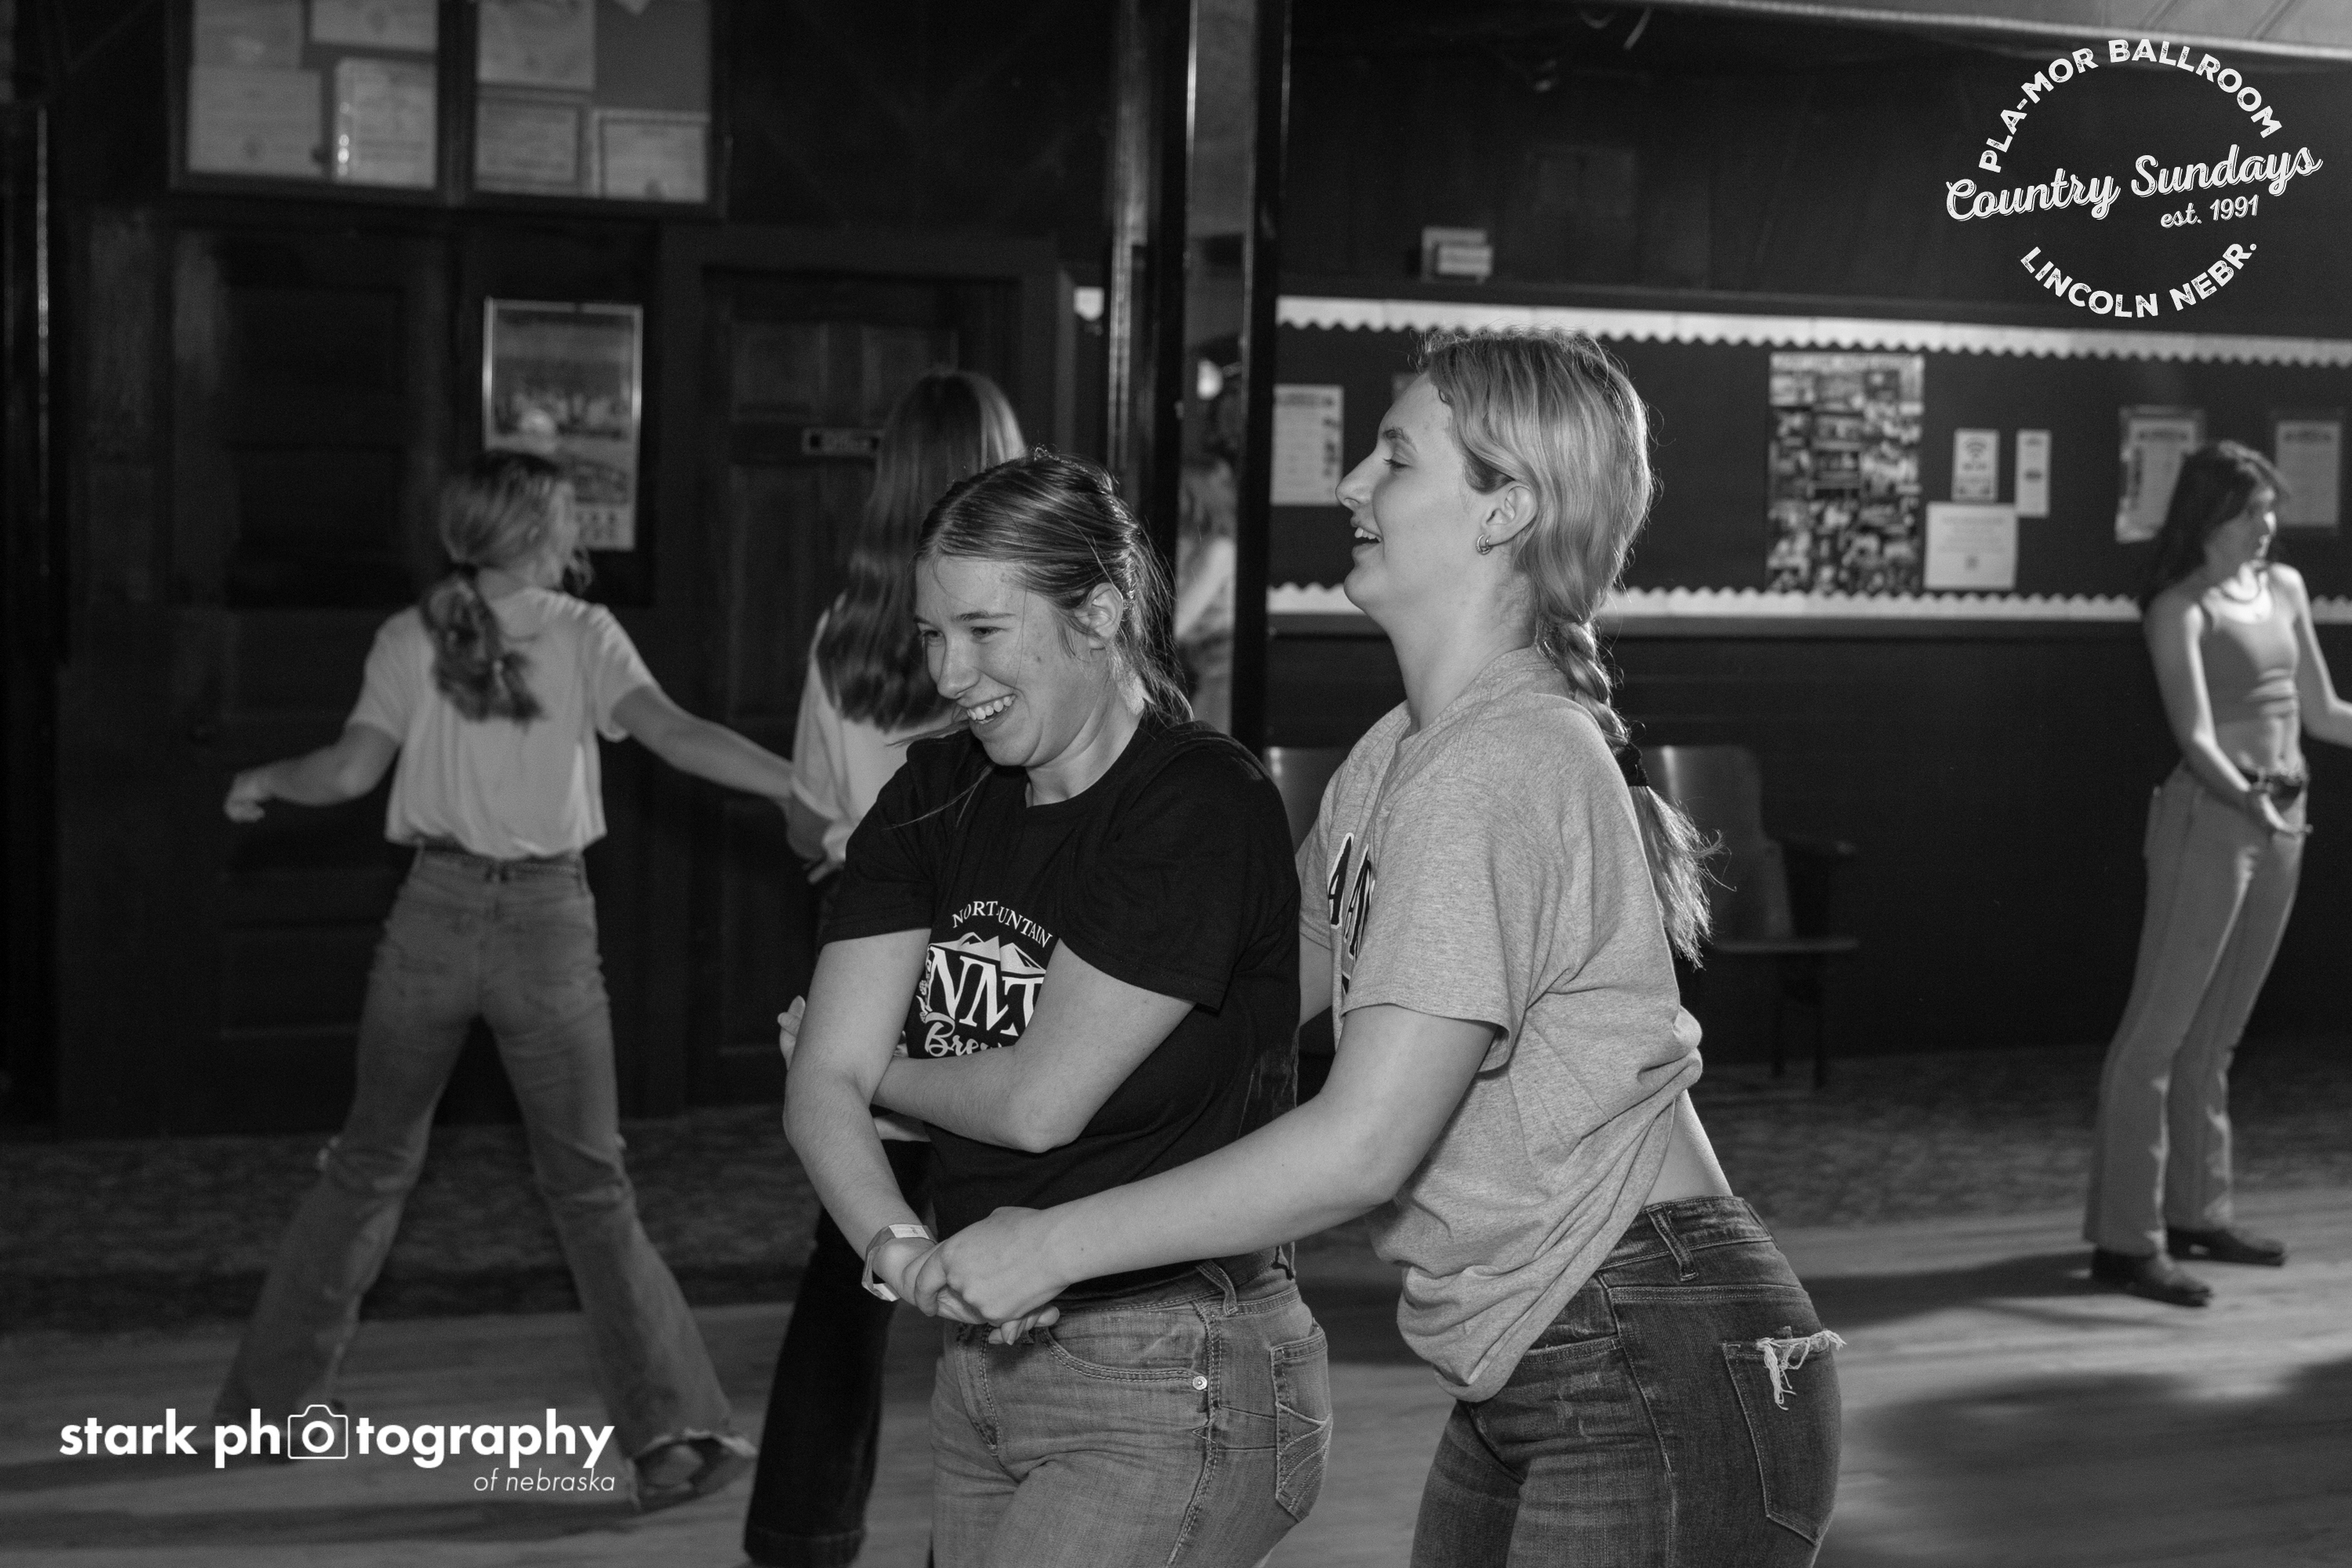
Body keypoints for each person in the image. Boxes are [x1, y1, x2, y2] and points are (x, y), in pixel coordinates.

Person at [922, 328, 1845, 1565]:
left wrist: (1052, 1245)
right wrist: (972, 1050)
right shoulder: (1396, 755)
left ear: (1506, 510)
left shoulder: (1499, 763)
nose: (1352, 484)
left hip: (1642, 1337)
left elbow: (1363, 1147)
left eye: (1395, 459)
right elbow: (1239, 1011)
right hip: (1545, 1353)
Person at [215, 450, 793, 1510]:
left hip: (428, 923)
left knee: (368, 1165)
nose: (578, 529)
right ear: (533, 532)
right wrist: (795, 784)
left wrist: (263, 778)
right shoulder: (583, 633)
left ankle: (268, 1408)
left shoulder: (409, 634)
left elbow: (346, 772)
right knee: (590, 1187)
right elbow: (673, 735)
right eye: (568, 513)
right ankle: (671, 1439)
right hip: (545, 930)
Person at [783, 451, 1323, 1568]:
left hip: (1173, 1364)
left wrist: (874, 1071)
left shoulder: (1197, 801)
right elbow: (814, 1091)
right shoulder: (936, 791)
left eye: (984, 630)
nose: (949, 673)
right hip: (982, 1354)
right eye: (932, 635)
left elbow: (1038, 1103)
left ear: (1101, 614)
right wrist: (902, 1253)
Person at [745, 368, 1023, 1568]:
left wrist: (850, 838)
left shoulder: (846, 631)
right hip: (997, 960)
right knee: (1015, 1247)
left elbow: (809, 818)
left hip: (871, 956)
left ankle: (801, 1532)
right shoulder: (1023, 630)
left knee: (852, 1260)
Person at [2085, 441, 2352, 1306]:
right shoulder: (2180, 606)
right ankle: (2126, 1241)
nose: (2266, 527)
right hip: (2211, 821)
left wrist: (2274, 807)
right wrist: (2249, 798)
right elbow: (2196, 736)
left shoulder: (2286, 589)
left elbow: (2322, 711)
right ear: (2209, 517)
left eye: (2270, 510)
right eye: (2250, 512)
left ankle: (2199, 1211)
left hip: (2282, 820)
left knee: (2217, 1035)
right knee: (2156, 1037)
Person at [1171, 455, 1237, 733]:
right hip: (1202, 666)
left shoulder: (1219, 550)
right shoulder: (1197, 544)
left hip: (1221, 671)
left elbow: (1178, 622)